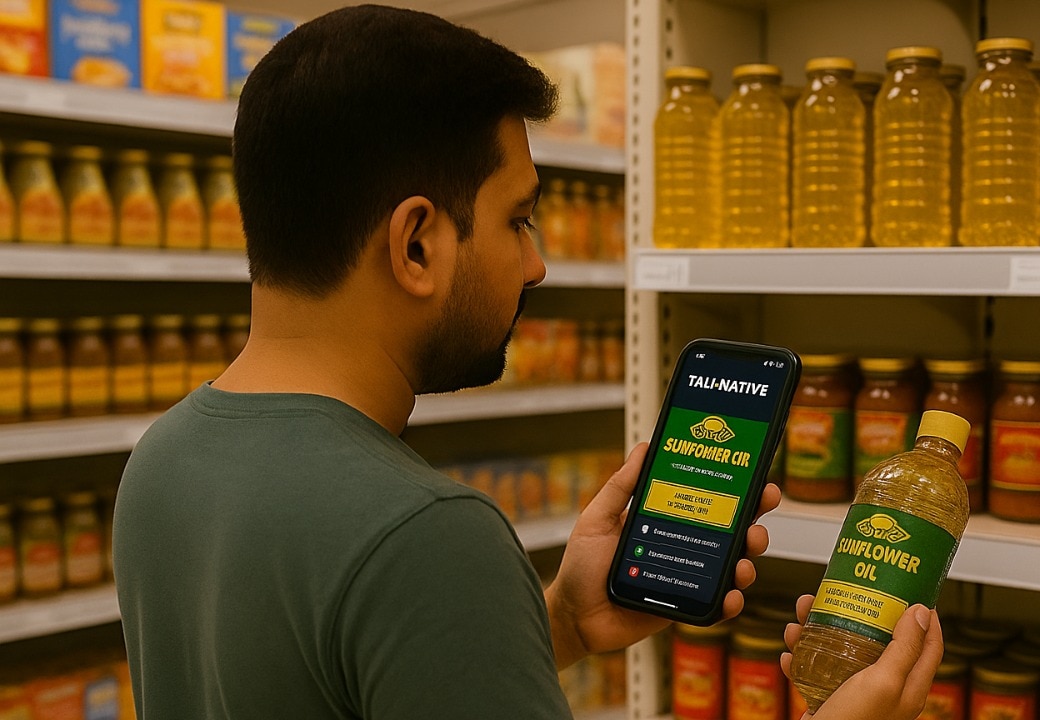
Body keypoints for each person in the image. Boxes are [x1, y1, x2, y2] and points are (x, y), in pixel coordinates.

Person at [113, 5, 943, 719]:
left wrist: (563, 622)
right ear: (415, 244)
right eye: (518, 219)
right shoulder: (426, 538)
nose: (537, 263)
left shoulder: (163, 461)